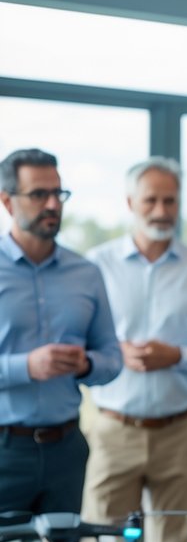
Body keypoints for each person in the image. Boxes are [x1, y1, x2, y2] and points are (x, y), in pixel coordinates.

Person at [83, 158, 187, 542]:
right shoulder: (96, 265)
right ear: (130, 202)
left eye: (170, 201)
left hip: (180, 433)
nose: (161, 211)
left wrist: (176, 354)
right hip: (113, 431)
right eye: (151, 200)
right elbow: (81, 346)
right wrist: (114, 351)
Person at [0, 148, 121, 517]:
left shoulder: (86, 272)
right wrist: (27, 366)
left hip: (67, 448)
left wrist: (86, 364)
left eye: (59, 193)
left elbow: (112, 359)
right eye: (39, 194)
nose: (53, 203)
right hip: (5, 449)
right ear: (7, 201)